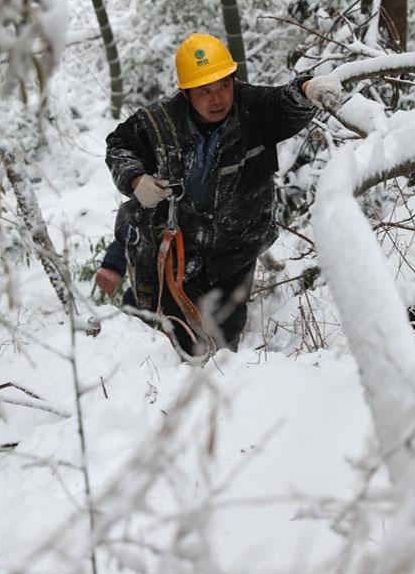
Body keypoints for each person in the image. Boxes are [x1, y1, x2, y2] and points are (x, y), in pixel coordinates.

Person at [105, 32, 341, 355]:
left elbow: (282, 102)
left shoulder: (253, 111)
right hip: (181, 252)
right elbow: (119, 145)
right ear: (186, 93)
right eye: (205, 91)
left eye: (224, 86)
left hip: (237, 249)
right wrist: (135, 180)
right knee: (168, 338)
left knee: (222, 345)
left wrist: (306, 90)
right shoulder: (159, 124)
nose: (218, 99)